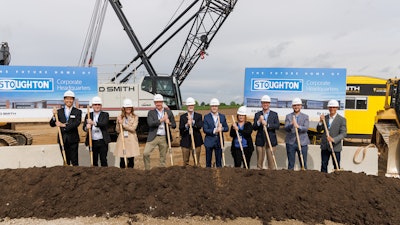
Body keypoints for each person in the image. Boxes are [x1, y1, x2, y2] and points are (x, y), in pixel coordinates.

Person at [143, 94, 176, 170]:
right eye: (156, 102)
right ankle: (147, 170)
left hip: (164, 137)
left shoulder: (169, 112)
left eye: (159, 102)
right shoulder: (151, 113)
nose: (158, 104)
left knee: (163, 157)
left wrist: (169, 122)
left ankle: (161, 172)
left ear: (162, 102)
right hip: (153, 136)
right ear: (154, 103)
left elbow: (174, 125)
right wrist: (162, 120)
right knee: (146, 153)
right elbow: (150, 123)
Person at [49, 90, 82, 166]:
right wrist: (54, 116)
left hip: (73, 139)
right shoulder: (59, 112)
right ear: (64, 100)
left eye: (71, 99)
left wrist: (63, 125)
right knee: (65, 160)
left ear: (73, 100)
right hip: (62, 139)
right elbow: (51, 124)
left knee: (74, 161)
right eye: (67, 99)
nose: (69, 101)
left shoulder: (77, 112)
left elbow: (76, 123)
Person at [317, 99, 347, 173]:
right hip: (325, 146)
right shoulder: (325, 118)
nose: (332, 109)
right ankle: (323, 180)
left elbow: (343, 133)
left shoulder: (342, 120)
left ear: (337, 108)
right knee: (324, 164)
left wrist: (334, 139)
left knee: (336, 166)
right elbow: (319, 130)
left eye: (334, 107)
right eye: (330, 107)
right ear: (328, 108)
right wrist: (320, 122)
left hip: (335, 146)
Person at [253, 95, 280, 170]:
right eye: (264, 103)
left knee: (271, 162)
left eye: (267, 103)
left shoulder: (274, 114)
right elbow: (254, 127)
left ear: (269, 104)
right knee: (259, 162)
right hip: (260, 140)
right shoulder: (258, 114)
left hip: (271, 141)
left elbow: (277, 126)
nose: (265, 104)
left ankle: (270, 177)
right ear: (261, 104)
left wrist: (267, 125)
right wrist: (259, 121)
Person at [83, 96, 111, 167]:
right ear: (92, 105)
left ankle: (105, 175)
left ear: (101, 106)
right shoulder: (89, 115)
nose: (97, 106)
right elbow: (84, 127)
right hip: (92, 141)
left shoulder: (105, 114)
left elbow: (104, 123)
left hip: (102, 141)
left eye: (99, 104)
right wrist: (87, 127)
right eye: (95, 104)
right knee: (94, 160)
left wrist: (93, 123)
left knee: (103, 160)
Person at [114, 98, 140, 168]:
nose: (128, 109)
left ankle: (130, 174)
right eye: (127, 107)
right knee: (122, 159)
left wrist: (123, 124)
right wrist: (118, 123)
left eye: (129, 107)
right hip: (122, 140)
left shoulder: (135, 117)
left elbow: (133, 128)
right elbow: (117, 130)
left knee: (131, 159)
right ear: (124, 108)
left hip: (131, 139)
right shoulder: (120, 117)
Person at [284, 98, 310, 170]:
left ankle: (304, 177)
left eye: (298, 105)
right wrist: (291, 124)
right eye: (295, 105)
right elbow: (286, 128)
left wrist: (298, 126)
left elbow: (306, 128)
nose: (296, 107)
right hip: (291, 142)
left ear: (301, 106)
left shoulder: (305, 117)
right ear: (292, 106)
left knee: (303, 162)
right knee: (291, 163)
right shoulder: (288, 116)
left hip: (303, 142)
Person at [203, 98, 229, 168]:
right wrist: (215, 130)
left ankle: (219, 176)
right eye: (213, 106)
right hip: (209, 142)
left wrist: (222, 128)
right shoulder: (206, 117)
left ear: (218, 107)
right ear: (210, 107)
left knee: (219, 162)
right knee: (208, 162)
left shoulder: (222, 117)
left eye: (215, 106)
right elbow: (205, 130)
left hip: (219, 142)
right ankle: (208, 176)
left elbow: (227, 128)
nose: (214, 107)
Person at [179, 97, 203, 167]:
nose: (190, 106)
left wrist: (192, 122)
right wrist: (186, 125)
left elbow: (200, 126)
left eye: (192, 105)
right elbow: (181, 128)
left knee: (196, 161)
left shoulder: (198, 116)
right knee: (185, 162)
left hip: (196, 140)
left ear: (194, 106)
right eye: (189, 105)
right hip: (185, 140)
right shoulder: (183, 117)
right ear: (187, 106)